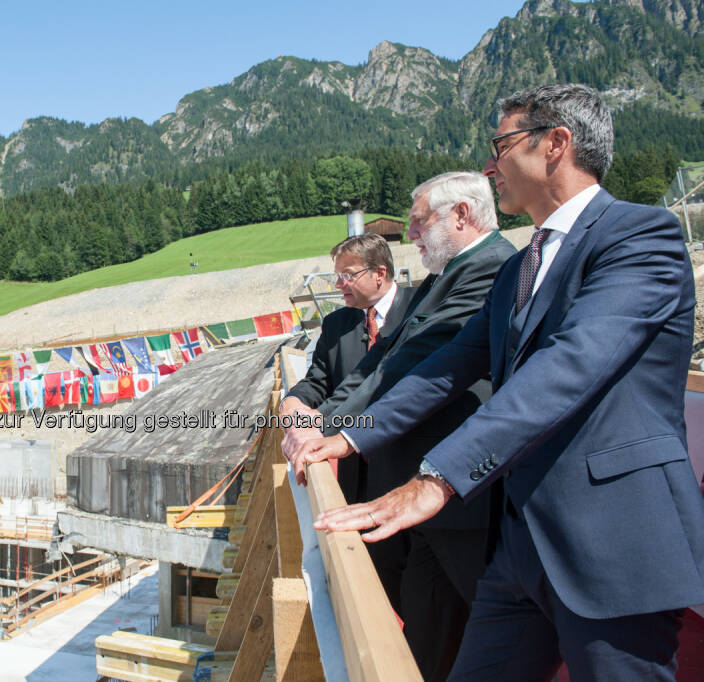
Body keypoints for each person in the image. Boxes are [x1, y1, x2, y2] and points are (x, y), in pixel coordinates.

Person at [294, 83, 704, 680]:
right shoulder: (519, 265)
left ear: (556, 144)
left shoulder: (640, 238)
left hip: (616, 543)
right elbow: (447, 366)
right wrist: (346, 436)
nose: (489, 166)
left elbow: (566, 370)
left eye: (501, 144)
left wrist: (435, 479)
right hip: (522, 546)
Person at [285, 171, 516, 681]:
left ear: (461, 215)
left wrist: (338, 435)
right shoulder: (443, 278)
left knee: (494, 629)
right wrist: (318, 421)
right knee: (427, 622)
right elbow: (381, 362)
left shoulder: (490, 268)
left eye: (419, 221)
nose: (410, 234)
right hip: (427, 487)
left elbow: (414, 365)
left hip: (463, 484)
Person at [281, 233, 416, 503]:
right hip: (358, 475)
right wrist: (292, 402)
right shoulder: (336, 324)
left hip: (412, 469)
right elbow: (318, 381)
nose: (340, 284)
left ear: (379, 273)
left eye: (348, 274)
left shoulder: (419, 309)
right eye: (337, 275)